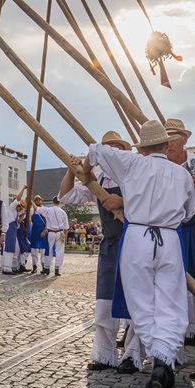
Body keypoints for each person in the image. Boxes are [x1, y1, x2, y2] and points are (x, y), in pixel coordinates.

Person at [88, 123, 195, 388]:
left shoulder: (132, 163)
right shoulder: (181, 174)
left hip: (137, 237)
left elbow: (95, 150)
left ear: (143, 147)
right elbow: (188, 213)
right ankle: (164, 359)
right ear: (165, 144)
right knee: (171, 300)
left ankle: (160, 359)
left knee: (141, 302)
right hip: (170, 238)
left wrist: (86, 168)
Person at [60, 131, 131, 372]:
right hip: (111, 244)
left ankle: (132, 354)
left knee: (136, 299)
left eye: (116, 147)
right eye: (107, 147)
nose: (112, 151)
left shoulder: (134, 173)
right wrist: (73, 169)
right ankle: (104, 354)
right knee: (105, 299)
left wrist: (122, 202)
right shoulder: (96, 180)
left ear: (124, 150)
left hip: (135, 241)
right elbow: (67, 197)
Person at [164, 118, 195, 352]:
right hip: (170, 229)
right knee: (170, 287)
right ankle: (172, 347)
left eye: (174, 137)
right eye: (166, 138)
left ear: (184, 140)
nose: (170, 142)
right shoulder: (160, 164)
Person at [28, 195, 47, 272]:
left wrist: (44, 231)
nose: (38, 201)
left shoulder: (44, 209)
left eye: (40, 200)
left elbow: (48, 222)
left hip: (43, 234)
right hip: (34, 233)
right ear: (35, 201)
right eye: (37, 200)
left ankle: (44, 267)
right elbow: (29, 220)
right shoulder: (32, 210)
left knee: (43, 251)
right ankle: (34, 266)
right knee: (34, 251)